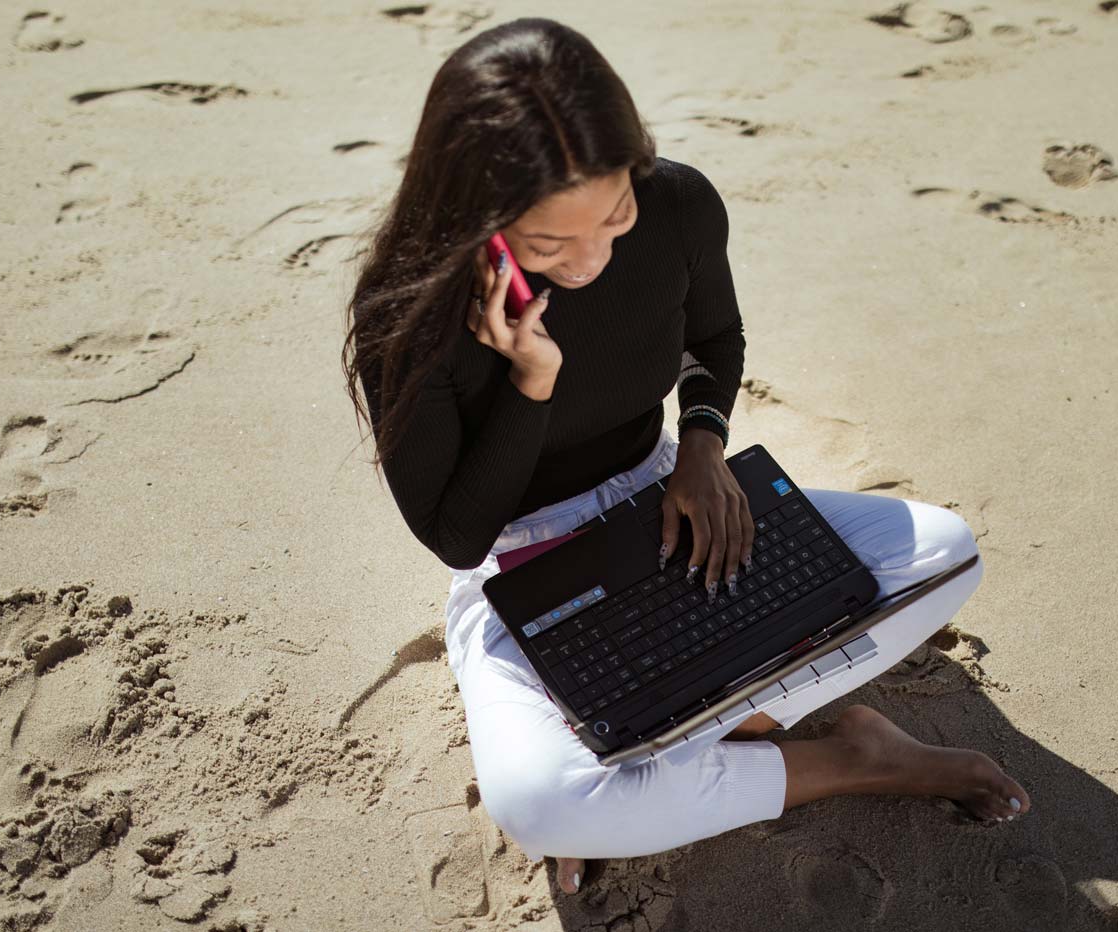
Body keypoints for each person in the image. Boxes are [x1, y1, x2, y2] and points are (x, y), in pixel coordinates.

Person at [342, 16, 1030, 896]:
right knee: (542, 805)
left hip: (666, 501)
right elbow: (459, 536)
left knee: (945, 554)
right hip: (524, 568)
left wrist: (702, 446)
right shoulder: (406, 310)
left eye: (615, 215)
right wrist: (530, 380)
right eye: (551, 245)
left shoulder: (678, 204)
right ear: (477, 219)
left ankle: (657, 750)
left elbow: (715, 336)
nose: (592, 260)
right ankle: (856, 759)